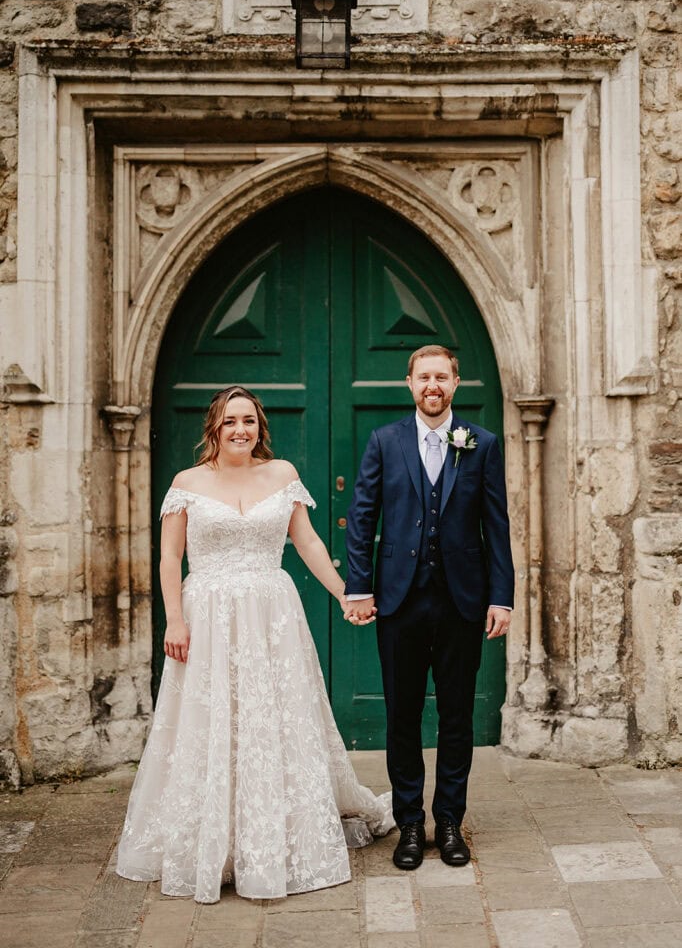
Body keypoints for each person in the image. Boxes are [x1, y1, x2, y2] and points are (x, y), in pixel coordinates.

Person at [116, 386, 393, 903]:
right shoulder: (187, 483)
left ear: (259, 426)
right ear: (214, 429)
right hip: (208, 615)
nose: (239, 429)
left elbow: (306, 542)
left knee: (273, 719)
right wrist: (174, 621)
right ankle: (212, 842)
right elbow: (169, 559)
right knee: (212, 722)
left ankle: (275, 839)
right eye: (229, 422)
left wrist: (345, 594)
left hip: (272, 615)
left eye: (248, 420)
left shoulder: (282, 474)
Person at [345, 345, 514, 871]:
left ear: (455, 384)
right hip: (399, 601)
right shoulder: (384, 441)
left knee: (457, 716)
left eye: (442, 377)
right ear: (410, 383)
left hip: (463, 601)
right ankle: (411, 824)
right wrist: (360, 587)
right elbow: (362, 517)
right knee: (402, 716)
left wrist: (501, 596)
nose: (433, 385)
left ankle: (449, 821)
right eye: (424, 377)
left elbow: (497, 524)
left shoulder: (481, 444)